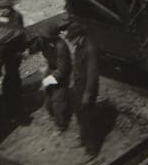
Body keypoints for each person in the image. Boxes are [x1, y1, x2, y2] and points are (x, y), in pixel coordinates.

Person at [67, 22, 101, 152]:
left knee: (88, 118)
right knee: (79, 113)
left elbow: (92, 74)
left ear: (79, 36)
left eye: (72, 39)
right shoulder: (80, 46)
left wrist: (87, 94)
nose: (71, 42)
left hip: (87, 87)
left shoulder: (90, 48)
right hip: (79, 85)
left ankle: (92, 150)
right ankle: (83, 138)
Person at [36, 25, 72, 131]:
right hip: (52, 68)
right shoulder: (43, 41)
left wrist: (47, 81)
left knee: (58, 99)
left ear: (51, 37)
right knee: (48, 95)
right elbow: (35, 46)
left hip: (61, 73)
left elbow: (62, 71)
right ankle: (52, 114)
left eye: (43, 36)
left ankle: (61, 125)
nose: (41, 38)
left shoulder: (61, 46)